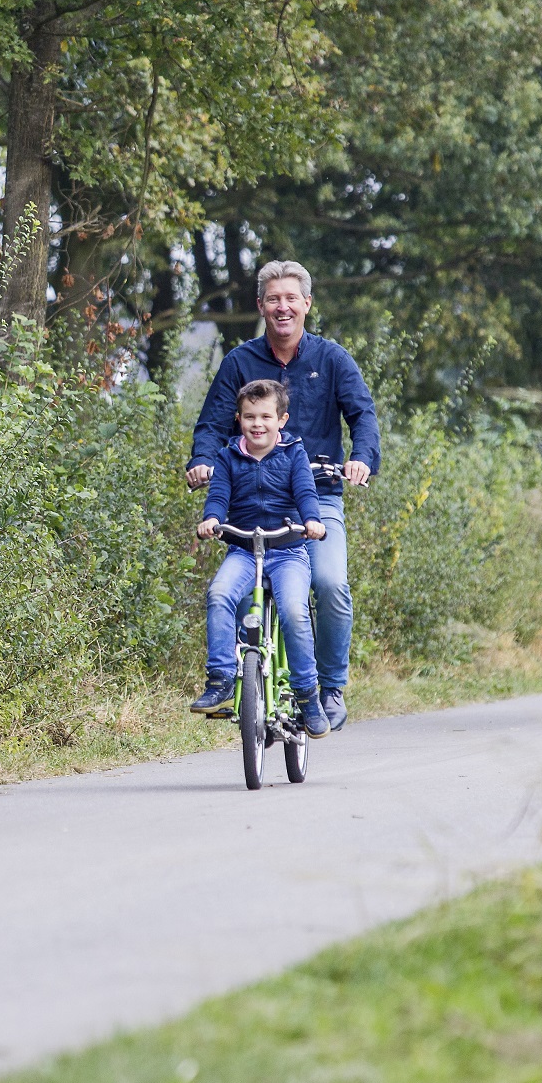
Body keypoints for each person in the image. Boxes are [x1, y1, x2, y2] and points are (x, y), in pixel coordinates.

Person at [185, 260, 379, 732]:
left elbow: (364, 416)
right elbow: (212, 424)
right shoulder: (239, 363)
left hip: (319, 500)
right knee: (230, 589)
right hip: (253, 500)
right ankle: (241, 684)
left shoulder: (332, 359)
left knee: (330, 584)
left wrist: (362, 460)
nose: (283, 306)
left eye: (292, 298)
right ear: (261, 306)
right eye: (273, 299)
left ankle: (328, 688)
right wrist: (202, 460)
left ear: (307, 304)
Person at [191, 379, 331, 738]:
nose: (258, 424)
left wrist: (312, 521)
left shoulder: (293, 453)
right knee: (219, 595)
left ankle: (307, 697)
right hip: (243, 549)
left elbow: (305, 492)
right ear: (239, 419)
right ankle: (221, 679)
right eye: (250, 416)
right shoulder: (228, 456)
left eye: (266, 416)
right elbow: (218, 495)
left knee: (296, 613)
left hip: (287, 551)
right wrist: (211, 519)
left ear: (281, 420)